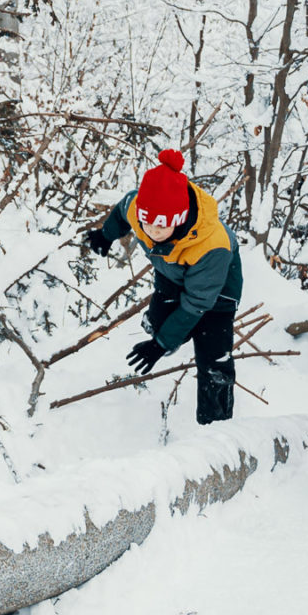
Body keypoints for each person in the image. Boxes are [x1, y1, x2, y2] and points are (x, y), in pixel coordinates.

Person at [85, 149, 243, 424]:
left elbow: (197, 302)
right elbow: (124, 209)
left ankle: (216, 429)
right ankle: (171, 331)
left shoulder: (212, 246)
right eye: (147, 224)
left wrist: (159, 346)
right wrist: (105, 235)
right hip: (172, 272)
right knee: (162, 324)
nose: (152, 233)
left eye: (161, 227)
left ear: (180, 219)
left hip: (216, 293)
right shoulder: (140, 211)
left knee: (213, 358)